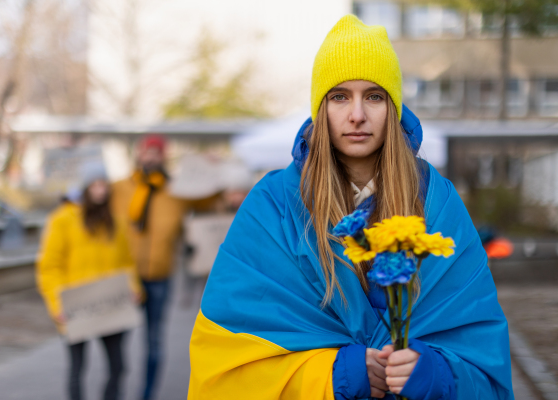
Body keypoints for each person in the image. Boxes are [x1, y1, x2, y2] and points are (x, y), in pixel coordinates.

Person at [188, 15, 514, 400]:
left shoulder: (438, 201)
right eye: (340, 96)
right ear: (320, 108)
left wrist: (434, 374)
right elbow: (227, 366)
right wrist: (335, 376)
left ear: (392, 107)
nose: (357, 114)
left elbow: (480, 355)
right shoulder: (272, 205)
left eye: (374, 96)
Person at [111, 136, 215, 400]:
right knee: (116, 343)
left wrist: (210, 168)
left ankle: (147, 394)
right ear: (139, 154)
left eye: (157, 154)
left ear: (164, 157)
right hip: (123, 278)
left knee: (154, 343)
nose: (151, 158)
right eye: (148, 152)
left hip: (160, 277)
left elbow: (210, 200)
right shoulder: (120, 188)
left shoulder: (177, 190)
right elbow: (92, 206)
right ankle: (115, 391)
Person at [36, 161, 142, 400]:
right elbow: (49, 267)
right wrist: (57, 304)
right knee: (77, 370)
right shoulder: (62, 219)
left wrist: (134, 288)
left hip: (111, 306)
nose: (100, 190)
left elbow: (127, 262)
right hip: (76, 307)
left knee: (118, 368)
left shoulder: (116, 221)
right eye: (94, 185)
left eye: (103, 184)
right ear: (85, 188)